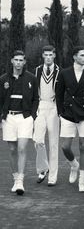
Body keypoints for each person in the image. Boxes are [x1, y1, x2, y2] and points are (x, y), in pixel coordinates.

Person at [0, 50, 39, 195]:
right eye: (16, 60)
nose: (18, 63)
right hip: (9, 118)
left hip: (25, 118)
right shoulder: (3, 79)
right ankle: (15, 178)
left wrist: (32, 116)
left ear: (24, 62)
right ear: (11, 61)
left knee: (22, 148)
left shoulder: (31, 79)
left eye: (21, 60)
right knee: (12, 150)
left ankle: (20, 181)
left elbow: (36, 98)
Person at [56, 46, 84, 192]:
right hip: (68, 114)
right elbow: (58, 94)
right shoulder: (64, 73)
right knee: (65, 147)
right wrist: (60, 111)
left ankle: (82, 181)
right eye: (82, 55)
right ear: (74, 57)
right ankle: (74, 165)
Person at [33, 45, 60, 186]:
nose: (48, 57)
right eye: (46, 55)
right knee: (38, 140)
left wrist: (60, 110)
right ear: (43, 56)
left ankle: (53, 176)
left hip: (54, 107)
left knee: (53, 143)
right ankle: (43, 168)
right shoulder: (37, 70)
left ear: (54, 56)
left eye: (51, 55)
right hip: (41, 106)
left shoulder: (59, 71)